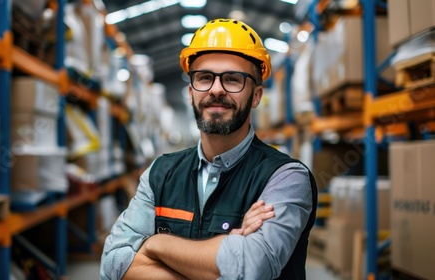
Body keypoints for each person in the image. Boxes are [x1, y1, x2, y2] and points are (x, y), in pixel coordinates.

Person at [100, 18, 317, 280]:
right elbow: (113, 264)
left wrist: (154, 244)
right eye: (204, 78)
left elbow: (251, 269)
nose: (216, 90)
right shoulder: (160, 174)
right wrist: (225, 251)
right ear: (191, 91)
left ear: (256, 95)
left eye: (233, 79)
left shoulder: (285, 177)